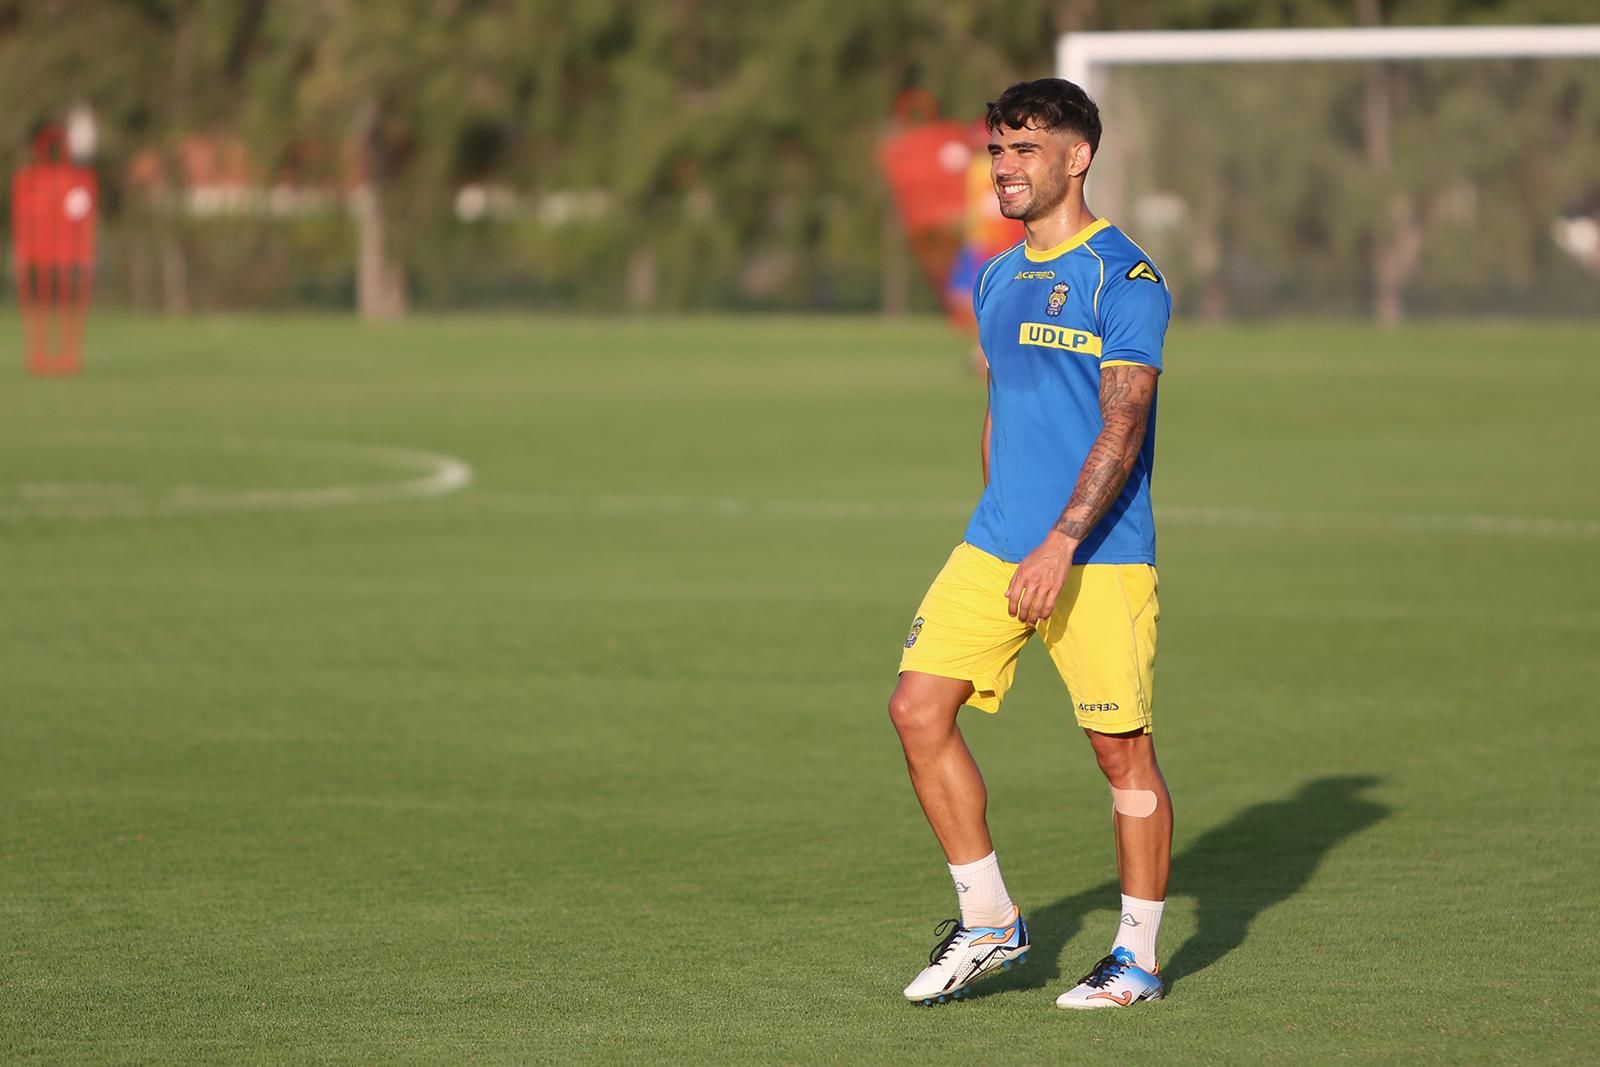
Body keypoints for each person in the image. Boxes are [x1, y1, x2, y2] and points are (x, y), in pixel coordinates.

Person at [890, 78, 1173, 1010]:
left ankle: (1136, 957)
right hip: (998, 542)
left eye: (1024, 149)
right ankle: (990, 920)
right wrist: (999, 524)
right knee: (916, 710)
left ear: (1076, 157)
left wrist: (1056, 542)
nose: (1005, 168)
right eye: (998, 150)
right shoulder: (997, 274)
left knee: (1119, 752)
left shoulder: (1125, 277)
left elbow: (1121, 425)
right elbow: (1001, 402)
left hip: (1098, 554)